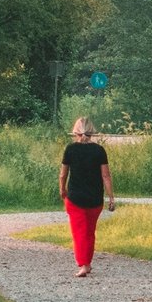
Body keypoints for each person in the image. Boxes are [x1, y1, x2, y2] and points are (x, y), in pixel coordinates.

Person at [57, 117, 113, 277]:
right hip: (95, 199)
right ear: (92, 132)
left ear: (75, 132)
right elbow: (106, 176)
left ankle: (84, 264)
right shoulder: (99, 150)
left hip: (75, 198)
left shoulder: (70, 149)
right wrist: (111, 198)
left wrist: (62, 189)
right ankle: (87, 263)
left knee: (79, 232)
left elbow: (63, 174)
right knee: (89, 232)